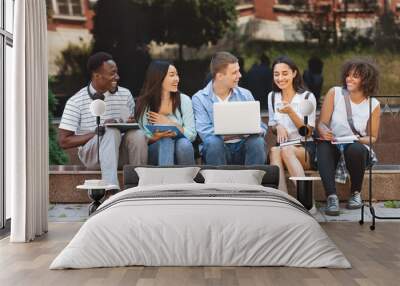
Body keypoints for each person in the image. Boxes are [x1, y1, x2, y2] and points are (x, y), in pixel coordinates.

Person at [59, 52, 148, 191]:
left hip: (121, 154)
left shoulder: (125, 94)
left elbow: (135, 126)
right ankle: (110, 190)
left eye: (117, 73)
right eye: (113, 74)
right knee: (110, 131)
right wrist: (96, 133)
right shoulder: (76, 101)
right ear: (97, 76)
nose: (117, 77)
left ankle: (139, 189)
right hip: (94, 156)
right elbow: (64, 141)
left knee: (137, 134)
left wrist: (133, 122)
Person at [317, 59, 380, 216]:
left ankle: (355, 193)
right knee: (323, 146)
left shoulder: (373, 104)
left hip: (355, 145)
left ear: (366, 80)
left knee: (355, 149)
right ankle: (332, 197)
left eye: (355, 76)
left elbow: (372, 137)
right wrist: (324, 131)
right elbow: (322, 124)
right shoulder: (335, 93)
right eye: (348, 75)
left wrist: (355, 139)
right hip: (333, 143)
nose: (349, 79)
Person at [192, 51, 267, 165]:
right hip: (218, 149)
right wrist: (239, 132)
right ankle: (219, 182)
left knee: (257, 142)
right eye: (234, 73)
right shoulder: (200, 98)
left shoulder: (245, 94)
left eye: (238, 71)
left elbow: (261, 126)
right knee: (213, 142)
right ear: (220, 76)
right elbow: (204, 132)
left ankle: (253, 181)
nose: (240, 75)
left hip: (243, 147)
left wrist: (256, 130)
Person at [268, 56, 317, 193]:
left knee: (286, 150)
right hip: (283, 148)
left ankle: (307, 202)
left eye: (285, 73)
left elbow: (307, 132)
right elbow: (272, 125)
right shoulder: (272, 96)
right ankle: (282, 199)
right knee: (274, 150)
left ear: (294, 73)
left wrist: (291, 112)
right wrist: (277, 127)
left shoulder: (307, 97)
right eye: (276, 74)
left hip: (304, 148)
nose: (280, 78)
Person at [135, 60, 196, 165]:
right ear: (159, 78)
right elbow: (141, 138)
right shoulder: (145, 103)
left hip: (181, 149)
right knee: (166, 141)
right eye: (172, 75)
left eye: (177, 75)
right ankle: (166, 179)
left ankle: (189, 178)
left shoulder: (184, 100)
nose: (177, 79)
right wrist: (156, 137)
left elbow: (191, 135)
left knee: (184, 144)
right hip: (156, 151)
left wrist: (170, 123)